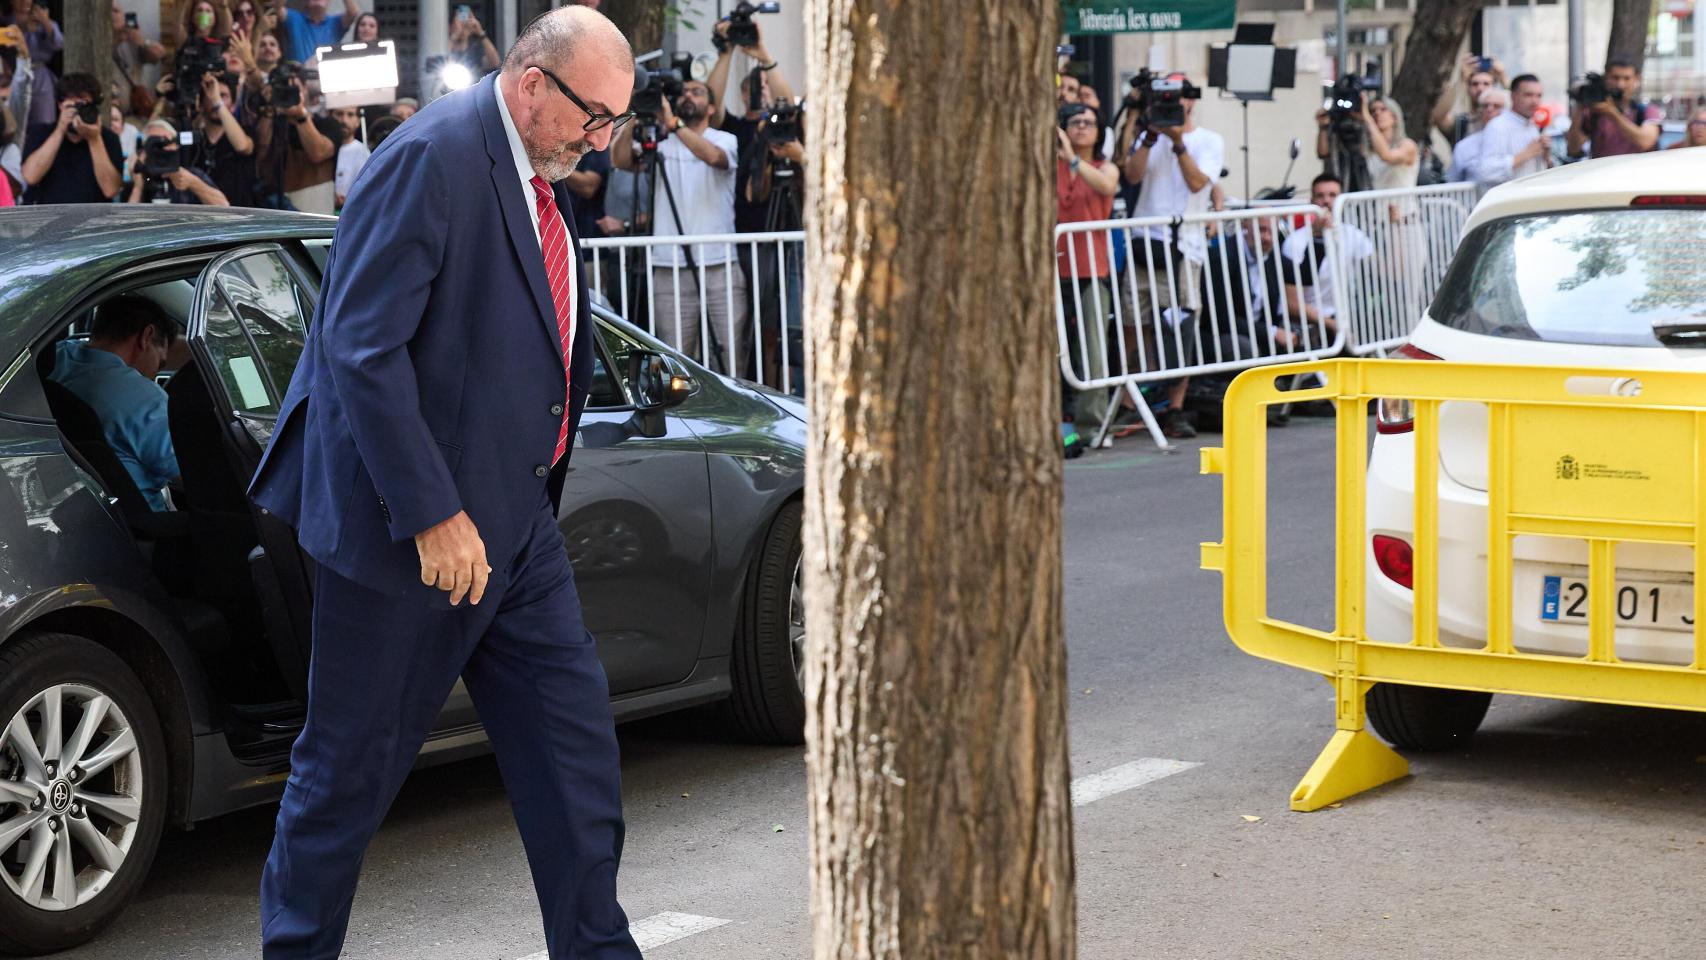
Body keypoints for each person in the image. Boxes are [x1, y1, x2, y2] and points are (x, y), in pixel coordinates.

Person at [247, 7, 643, 958]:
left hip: (515, 525)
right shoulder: (434, 156)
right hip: (407, 533)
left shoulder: (543, 169)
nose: (602, 143)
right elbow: (361, 345)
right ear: (533, 83)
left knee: (576, 768)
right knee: (342, 783)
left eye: (616, 125)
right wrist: (432, 513)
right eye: (596, 117)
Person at [611, 77, 747, 370]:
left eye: (697, 92)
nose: (688, 96)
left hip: (719, 263)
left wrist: (673, 123)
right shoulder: (659, 138)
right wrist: (637, 114)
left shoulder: (724, 139)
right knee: (675, 358)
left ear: (711, 108)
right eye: (683, 92)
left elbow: (713, 157)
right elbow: (620, 160)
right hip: (668, 264)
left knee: (729, 353)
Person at [1121, 73, 1222, 439]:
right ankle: (1129, 401)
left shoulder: (1209, 140)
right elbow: (1131, 176)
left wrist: (1178, 142)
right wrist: (1149, 134)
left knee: (1180, 327)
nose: (1172, 105)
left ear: (1191, 100)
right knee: (1134, 321)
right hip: (1143, 241)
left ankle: (1176, 408)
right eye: (1165, 98)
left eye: (1178, 98)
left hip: (1184, 246)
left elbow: (1198, 183)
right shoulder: (1148, 137)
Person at [48, 295, 181, 512]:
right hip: (145, 534)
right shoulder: (145, 400)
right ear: (146, 336)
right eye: (161, 361)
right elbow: (194, 476)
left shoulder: (55, 359)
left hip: (76, 513)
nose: (156, 370)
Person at [1055, 102, 1120, 432]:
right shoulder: (1052, 166)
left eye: (1089, 122)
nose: (1081, 127)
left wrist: (1073, 160)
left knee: (1093, 349)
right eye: (1074, 122)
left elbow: (1107, 187)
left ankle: (1091, 422)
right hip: (1053, 271)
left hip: (1091, 269)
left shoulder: (1104, 167)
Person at [1280, 173, 1373, 342]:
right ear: (1311, 201)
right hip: (1308, 322)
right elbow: (1292, 304)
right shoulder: (1295, 241)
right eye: (1320, 195)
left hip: (1346, 316)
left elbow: (1383, 270)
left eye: (1332, 195)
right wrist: (1330, 324)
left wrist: (1396, 225)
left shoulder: (1352, 234)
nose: (1326, 201)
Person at [21, 73, 126, 204]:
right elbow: (30, 177)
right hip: (47, 215)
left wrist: (94, 139)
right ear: (60, 105)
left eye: (82, 105)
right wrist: (60, 130)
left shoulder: (108, 139)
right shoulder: (40, 133)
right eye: (72, 106)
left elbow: (111, 190)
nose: (77, 111)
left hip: (94, 218)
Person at [252, 65, 338, 212]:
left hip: (315, 214)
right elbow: (259, 153)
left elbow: (318, 153)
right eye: (282, 89)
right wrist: (269, 108)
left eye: (295, 88)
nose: (288, 93)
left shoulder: (327, 123)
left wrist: (300, 116)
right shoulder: (270, 122)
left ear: (305, 89)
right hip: (276, 211)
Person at [1565, 56, 1662, 160]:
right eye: (1615, 78)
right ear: (1606, 78)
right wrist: (1580, 107)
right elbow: (1573, 149)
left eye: (1627, 78)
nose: (1620, 84)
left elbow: (1645, 142)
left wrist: (1612, 113)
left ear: (1636, 80)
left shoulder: (1647, 111)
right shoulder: (1594, 114)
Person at [1471, 74, 1552, 189]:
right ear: (1513, 96)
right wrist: (1527, 153)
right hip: (1508, 202)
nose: (1535, 102)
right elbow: (1485, 171)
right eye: (1528, 95)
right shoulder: (1498, 126)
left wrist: (1546, 157)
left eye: (1539, 96)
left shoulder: (1534, 126)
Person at [125, 118, 229, 204]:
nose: (162, 150)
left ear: (176, 146)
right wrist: (138, 187)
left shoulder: (191, 175)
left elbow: (224, 206)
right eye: (155, 145)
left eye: (166, 143)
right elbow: (125, 223)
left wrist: (193, 183)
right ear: (145, 150)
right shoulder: (140, 177)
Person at [194, 70, 255, 205]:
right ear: (201, 104)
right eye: (211, 94)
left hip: (237, 215)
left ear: (233, 106)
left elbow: (242, 146)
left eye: (223, 96)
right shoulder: (193, 138)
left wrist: (216, 101)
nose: (216, 97)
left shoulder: (246, 131)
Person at [1, 0, 58, 127]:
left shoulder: (40, 19)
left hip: (39, 75)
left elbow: (58, 44)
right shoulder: (6, 20)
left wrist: (45, 22)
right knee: (13, 119)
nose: (25, 1)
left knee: (44, 122)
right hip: (13, 74)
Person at [1431, 55, 1506, 145]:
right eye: (1475, 84)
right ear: (1468, 88)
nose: (1480, 88)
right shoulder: (1461, 123)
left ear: (1494, 87)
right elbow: (1438, 117)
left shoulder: (1505, 119)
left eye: (1486, 84)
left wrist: (1503, 78)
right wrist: (1461, 80)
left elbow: (1521, 109)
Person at [1445, 87, 1506, 183]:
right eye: (1485, 106)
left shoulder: (1518, 141)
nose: (1490, 109)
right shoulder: (1464, 146)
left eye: (1497, 106)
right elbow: (1452, 182)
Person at [112, 2, 167, 108]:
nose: (112, 15)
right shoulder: (96, 43)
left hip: (135, 111)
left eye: (116, 11)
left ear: (123, 17)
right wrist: (117, 40)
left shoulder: (133, 42)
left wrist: (142, 41)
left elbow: (160, 54)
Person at [273, 0, 359, 67]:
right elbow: (277, 7)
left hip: (328, 78)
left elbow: (353, 12)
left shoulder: (335, 23)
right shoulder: (294, 18)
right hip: (299, 81)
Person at [444, 6, 502, 77]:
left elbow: (495, 63)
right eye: (459, 20)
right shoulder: (444, 45)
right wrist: (454, 36)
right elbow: (441, 59)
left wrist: (480, 33)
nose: (463, 25)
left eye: (467, 19)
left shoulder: (476, 49)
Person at [329, 103, 366, 207]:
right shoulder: (322, 149)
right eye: (339, 114)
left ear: (358, 121)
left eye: (350, 115)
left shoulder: (363, 152)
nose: (344, 120)